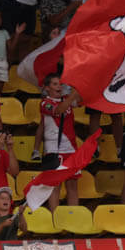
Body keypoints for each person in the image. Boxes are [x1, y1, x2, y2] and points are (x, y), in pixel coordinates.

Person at [39, 73, 78, 211]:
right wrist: (73, 95)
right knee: (55, 186)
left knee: (72, 185)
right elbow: (59, 110)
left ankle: (74, 218)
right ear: (47, 88)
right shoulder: (45, 103)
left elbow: (83, 99)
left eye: (60, 84)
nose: (59, 87)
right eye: (55, 84)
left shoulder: (67, 99)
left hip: (71, 148)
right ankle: (55, 219)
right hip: (54, 150)